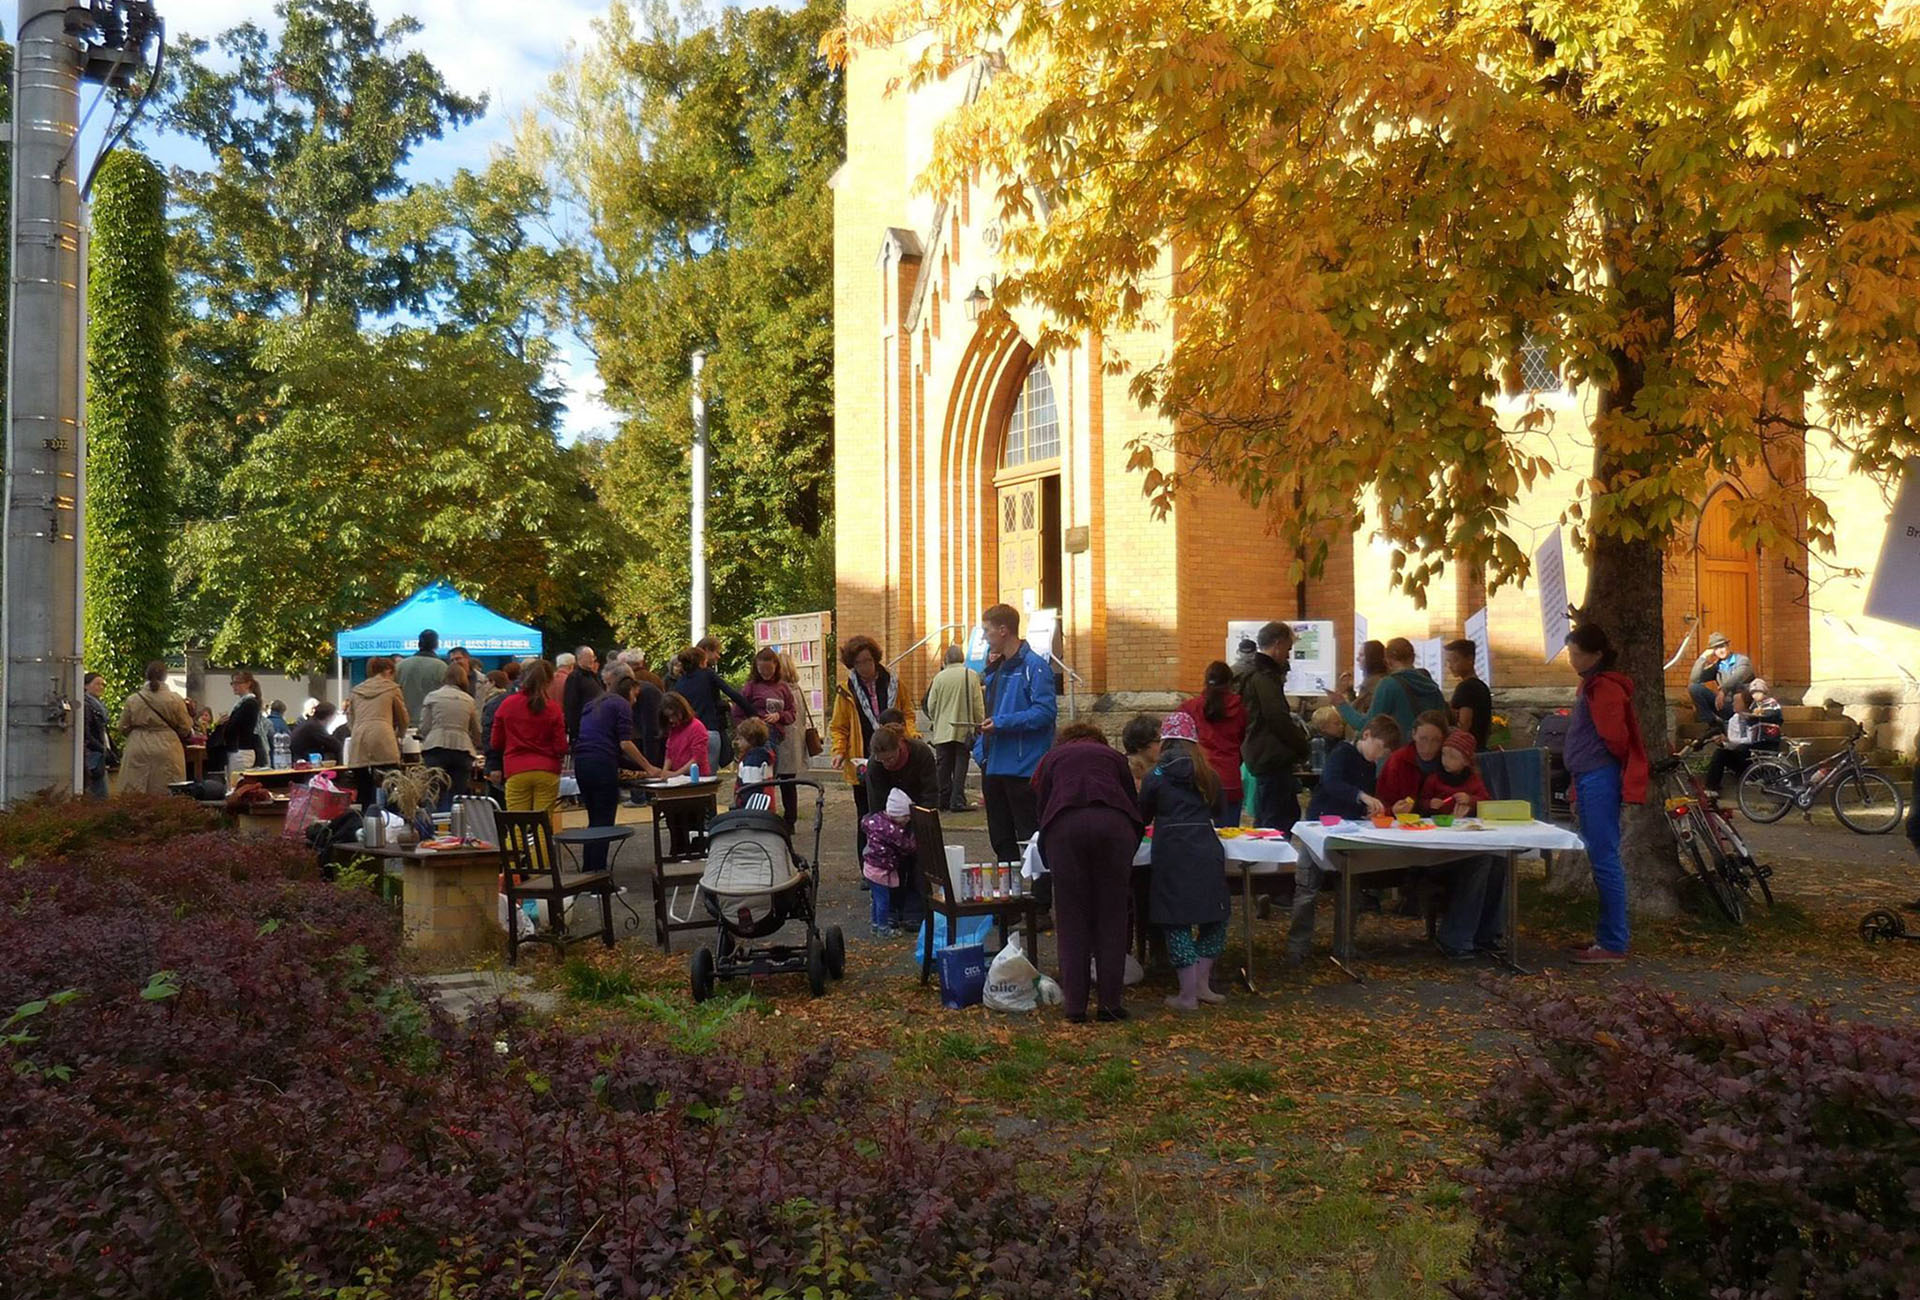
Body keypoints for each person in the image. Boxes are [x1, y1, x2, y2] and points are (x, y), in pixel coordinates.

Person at [1031, 721, 1142, 1023]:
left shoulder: (1052, 758)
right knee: (1113, 915)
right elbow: (1133, 804)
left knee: (1071, 916)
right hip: (1114, 828)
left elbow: (1040, 804)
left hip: (1065, 830)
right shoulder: (1113, 757)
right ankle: (1110, 1004)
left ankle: (1075, 1006)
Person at [1564, 623, 1649, 965]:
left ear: (1596, 654)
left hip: (1599, 775)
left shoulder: (1604, 688)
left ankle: (1614, 939)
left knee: (1604, 856)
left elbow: (1615, 736)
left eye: (1577, 653)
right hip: (1589, 774)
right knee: (1600, 856)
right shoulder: (1591, 685)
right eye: (1570, 653)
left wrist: (1602, 766)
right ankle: (1608, 934)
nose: (1572, 659)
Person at [1139, 712, 1231, 1012]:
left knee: (1175, 920)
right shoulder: (1209, 774)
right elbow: (1221, 812)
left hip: (1171, 851)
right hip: (1206, 847)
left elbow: (1143, 815)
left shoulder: (1155, 776)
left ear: (1165, 740)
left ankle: (1187, 994)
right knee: (1214, 916)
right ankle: (1203, 985)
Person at [1413, 730, 1509, 960]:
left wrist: (1471, 801)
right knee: (1482, 862)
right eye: (1444, 755)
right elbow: (1422, 804)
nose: (1446, 761)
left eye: (1452, 756)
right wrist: (1431, 805)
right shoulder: (1434, 779)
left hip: (1466, 840)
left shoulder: (1473, 781)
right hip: (1438, 848)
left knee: (1498, 860)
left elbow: (1486, 801)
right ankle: (1455, 937)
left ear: (1466, 760)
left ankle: (1486, 933)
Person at [974, 604, 1057, 867]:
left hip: (1023, 768)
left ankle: (1038, 900)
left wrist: (1001, 724)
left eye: (987, 631)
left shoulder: (1035, 666)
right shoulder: (998, 667)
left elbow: (1045, 713)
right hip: (994, 765)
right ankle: (1009, 900)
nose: (984, 637)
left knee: (1029, 838)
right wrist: (980, 749)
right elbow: (992, 710)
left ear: (1003, 630)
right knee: (1001, 840)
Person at [831, 635, 915, 860]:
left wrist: (910, 734)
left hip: (894, 755)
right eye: (858, 663)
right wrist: (839, 751)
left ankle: (897, 860)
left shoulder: (894, 683)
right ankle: (869, 866)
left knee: (896, 811)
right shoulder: (845, 690)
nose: (864, 667)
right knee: (867, 813)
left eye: (868, 661)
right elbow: (839, 726)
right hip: (863, 760)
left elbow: (908, 712)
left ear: (875, 659)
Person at [573, 670, 657, 872]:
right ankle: (599, 875)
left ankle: (589, 870)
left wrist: (639, 766)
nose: (635, 701)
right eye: (635, 696)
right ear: (629, 690)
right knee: (604, 821)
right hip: (602, 766)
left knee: (594, 819)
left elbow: (613, 748)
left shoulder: (593, 704)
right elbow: (625, 743)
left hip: (582, 763)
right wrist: (648, 767)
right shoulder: (621, 705)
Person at [1235, 621, 1309, 831]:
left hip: (1262, 753)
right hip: (1270, 754)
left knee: (1277, 814)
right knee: (1275, 819)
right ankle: (1269, 862)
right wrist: (1301, 745)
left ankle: (1269, 861)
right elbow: (1277, 717)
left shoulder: (1257, 673)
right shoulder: (1264, 676)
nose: (1288, 654)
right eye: (1288, 648)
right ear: (1278, 644)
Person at [489, 659, 569, 817]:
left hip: (515, 768)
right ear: (549, 681)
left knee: (518, 823)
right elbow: (561, 746)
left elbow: (496, 742)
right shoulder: (553, 708)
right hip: (547, 769)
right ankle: (542, 842)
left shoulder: (507, 704)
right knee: (543, 824)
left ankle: (518, 843)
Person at [1334, 637, 1447, 741]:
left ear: (1387, 660)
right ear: (1413, 657)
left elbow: (1369, 724)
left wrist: (1341, 704)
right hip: (1429, 753)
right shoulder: (1432, 686)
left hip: (1397, 754)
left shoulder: (1388, 684)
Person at [1182, 661, 1248, 827]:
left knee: (1199, 834)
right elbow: (1243, 739)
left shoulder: (1190, 707)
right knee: (1230, 836)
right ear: (1230, 683)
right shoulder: (1240, 708)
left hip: (1201, 776)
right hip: (1230, 778)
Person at [736, 647, 798, 822]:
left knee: (771, 776)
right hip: (756, 737)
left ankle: (770, 812)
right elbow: (737, 712)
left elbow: (792, 712)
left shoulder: (782, 687)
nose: (765, 674)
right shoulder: (750, 687)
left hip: (776, 735)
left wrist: (780, 716)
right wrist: (749, 727)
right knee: (757, 775)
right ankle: (757, 810)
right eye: (762, 671)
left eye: (769, 670)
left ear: (776, 667)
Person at [922, 644, 985, 813]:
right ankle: (957, 800)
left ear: (946, 659)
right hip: (963, 728)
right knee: (960, 764)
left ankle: (943, 799)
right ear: (962, 657)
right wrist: (979, 723)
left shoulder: (939, 677)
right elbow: (978, 704)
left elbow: (931, 704)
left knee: (943, 766)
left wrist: (937, 719)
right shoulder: (971, 675)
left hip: (942, 729)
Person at [117, 661, 192, 795]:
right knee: (167, 788)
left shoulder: (133, 699)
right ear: (165, 676)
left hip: (138, 744)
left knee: (135, 789)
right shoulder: (175, 699)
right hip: (168, 745)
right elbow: (185, 727)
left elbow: (122, 726)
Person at [672, 646, 751, 771]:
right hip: (709, 729)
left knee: (690, 777)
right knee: (709, 777)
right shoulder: (708, 674)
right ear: (702, 661)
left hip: (688, 734)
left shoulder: (679, 684)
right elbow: (731, 693)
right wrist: (752, 712)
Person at [1306, 716, 1397, 821]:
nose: (1380, 755)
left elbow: (1366, 793)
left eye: (1384, 754)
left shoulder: (1370, 765)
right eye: (1379, 747)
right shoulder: (1342, 751)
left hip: (1348, 820)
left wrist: (1369, 809)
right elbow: (1331, 782)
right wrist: (1361, 795)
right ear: (1366, 735)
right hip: (1323, 816)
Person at [419, 664, 483, 810]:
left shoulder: (432, 696)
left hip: (435, 747)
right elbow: (476, 729)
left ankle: (433, 826)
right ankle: (455, 826)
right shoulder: (469, 700)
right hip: (462, 749)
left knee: (433, 793)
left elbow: (425, 727)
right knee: (457, 795)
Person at [861, 787, 921, 936]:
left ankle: (875, 924)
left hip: (869, 867)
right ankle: (883, 928)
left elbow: (864, 822)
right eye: (905, 817)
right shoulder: (893, 831)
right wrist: (915, 840)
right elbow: (907, 846)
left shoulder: (875, 821)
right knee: (883, 901)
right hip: (880, 870)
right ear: (896, 815)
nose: (907, 821)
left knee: (876, 899)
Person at [1704, 684, 1782, 794]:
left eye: (1737, 701)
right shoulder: (1733, 720)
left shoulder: (1755, 717)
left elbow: (1751, 740)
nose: (1733, 704)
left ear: (1746, 703)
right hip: (1742, 756)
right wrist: (1725, 743)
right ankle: (1711, 789)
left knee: (1744, 747)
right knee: (1721, 753)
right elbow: (1733, 744)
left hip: (1755, 755)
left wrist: (1729, 741)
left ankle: (1759, 778)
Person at [1378, 711, 1451, 812]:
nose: (1428, 747)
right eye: (1423, 739)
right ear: (1413, 734)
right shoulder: (1397, 761)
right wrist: (1392, 811)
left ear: (1443, 740)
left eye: (1435, 740)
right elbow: (1381, 804)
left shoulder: (1451, 762)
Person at [865, 720, 939, 819]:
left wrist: (922, 817)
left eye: (890, 758)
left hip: (919, 807)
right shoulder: (874, 765)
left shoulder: (921, 753)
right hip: (889, 814)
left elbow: (930, 792)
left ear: (898, 746)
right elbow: (876, 804)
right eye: (881, 760)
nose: (886, 764)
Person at [771, 651, 811, 830]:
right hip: (796, 740)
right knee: (789, 784)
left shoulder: (780, 691)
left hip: (783, 740)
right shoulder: (797, 689)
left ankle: (785, 820)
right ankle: (790, 820)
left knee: (779, 782)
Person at [347, 658, 409, 767]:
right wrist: (400, 735)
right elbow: (403, 718)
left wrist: (356, 731)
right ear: (388, 671)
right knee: (389, 779)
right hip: (384, 736)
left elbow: (350, 718)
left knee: (362, 781)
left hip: (359, 739)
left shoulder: (356, 691)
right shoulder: (392, 689)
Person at [1686, 631, 1755, 728]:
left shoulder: (1742, 660)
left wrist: (1723, 690)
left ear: (1728, 646)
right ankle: (1711, 723)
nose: (1720, 651)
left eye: (1722, 647)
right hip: (1725, 706)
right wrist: (1703, 657)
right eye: (1716, 649)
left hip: (1743, 707)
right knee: (1694, 688)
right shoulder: (1717, 666)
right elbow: (1695, 679)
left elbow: (1737, 677)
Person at [208, 670, 264, 774]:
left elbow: (236, 727)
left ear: (248, 684)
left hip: (242, 750)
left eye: (238, 683)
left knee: (238, 783)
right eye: (233, 683)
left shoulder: (249, 704)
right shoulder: (242, 704)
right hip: (238, 749)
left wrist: (223, 724)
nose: (234, 686)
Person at [1446, 639, 1493, 752]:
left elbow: (1464, 724)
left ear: (1470, 659)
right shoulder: (1482, 686)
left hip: (1467, 750)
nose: (1450, 666)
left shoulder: (1466, 687)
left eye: (1455, 660)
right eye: (1449, 661)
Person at [396, 629, 448, 723]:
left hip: (403, 721)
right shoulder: (441, 667)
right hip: (431, 721)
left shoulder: (400, 666)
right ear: (436, 644)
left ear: (418, 644)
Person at [82, 672, 117, 798]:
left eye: (103, 685)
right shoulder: (86, 706)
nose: (101, 687)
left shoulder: (98, 706)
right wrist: (103, 749)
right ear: (86, 686)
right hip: (93, 754)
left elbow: (104, 731)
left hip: (100, 753)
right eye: (97, 684)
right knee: (99, 793)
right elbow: (87, 734)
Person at [660, 692, 710, 777]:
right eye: (668, 717)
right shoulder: (674, 729)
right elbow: (669, 754)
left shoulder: (697, 727)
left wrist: (676, 774)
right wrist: (665, 772)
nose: (671, 720)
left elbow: (698, 758)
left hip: (697, 777)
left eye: (673, 715)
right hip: (680, 777)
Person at [562, 646, 602, 743]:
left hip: (596, 725)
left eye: (593, 657)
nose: (592, 659)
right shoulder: (575, 677)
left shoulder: (593, 676)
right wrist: (575, 730)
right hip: (583, 728)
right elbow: (571, 704)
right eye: (589, 656)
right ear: (579, 658)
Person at [1121, 714, 1162, 786]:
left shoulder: (1161, 770)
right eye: (1159, 741)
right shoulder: (1122, 772)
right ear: (1140, 744)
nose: (1164, 745)